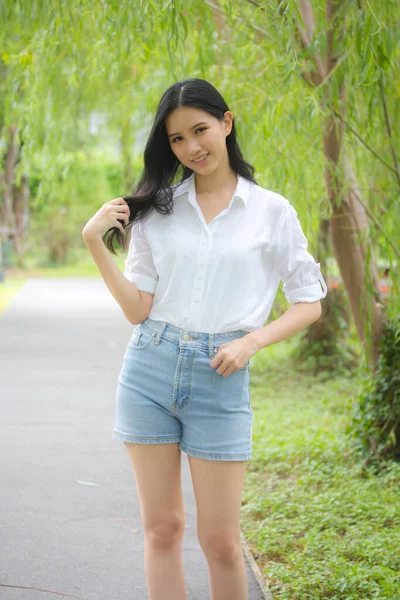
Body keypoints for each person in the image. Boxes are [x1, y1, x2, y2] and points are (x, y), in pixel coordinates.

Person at [82, 77, 327, 600]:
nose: (192, 147)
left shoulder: (271, 212)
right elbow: (136, 310)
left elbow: (311, 301)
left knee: (220, 541)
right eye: (177, 139)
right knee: (162, 529)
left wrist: (252, 342)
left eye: (200, 130)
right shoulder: (159, 210)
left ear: (226, 123)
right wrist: (94, 244)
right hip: (149, 367)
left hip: (222, 375)